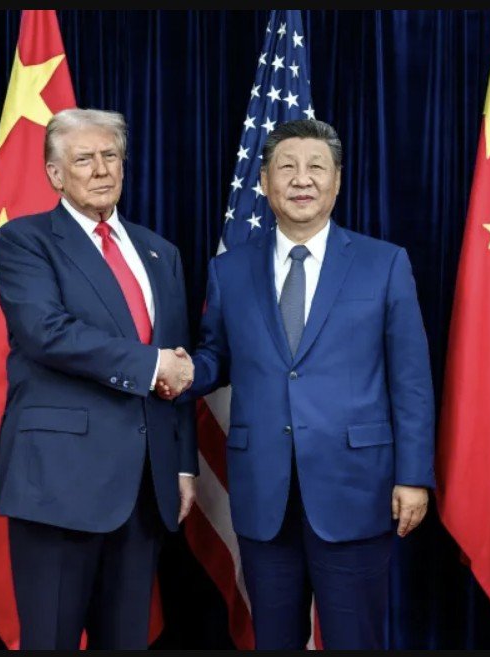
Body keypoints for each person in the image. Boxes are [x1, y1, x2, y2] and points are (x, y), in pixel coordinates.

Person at [162, 119, 434, 649]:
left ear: (337, 180)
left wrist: (414, 476)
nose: (301, 179)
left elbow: (412, 381)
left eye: (316, 167)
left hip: (356, 487)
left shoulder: (384, 264)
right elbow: (218, 355)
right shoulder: (230, 270)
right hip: (264, 490)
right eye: (287, 167)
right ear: (265, 181)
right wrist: (189, 370)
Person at [0, 108, 197, 650]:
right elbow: (46, 332)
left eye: (111, 156)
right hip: (58, 482)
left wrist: (181, 464)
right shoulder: (24, 241)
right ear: (55, 174)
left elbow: (176, 364)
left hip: (145, 487)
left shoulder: (161, 253)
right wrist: (152, 366)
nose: (102, 169)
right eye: (85, 159)